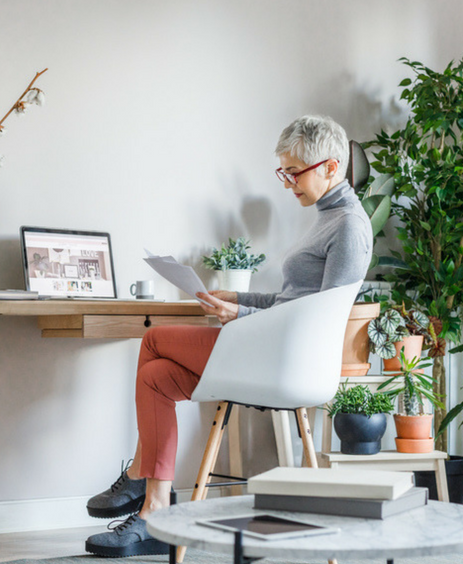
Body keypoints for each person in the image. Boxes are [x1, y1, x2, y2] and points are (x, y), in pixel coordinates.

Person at [84, 115, 373, 557]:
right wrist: (236, 297)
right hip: (270, 349)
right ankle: (154, 515)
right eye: (284, 172)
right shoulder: (327, 217)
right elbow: (291, 300)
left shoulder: (349, 226)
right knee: (157, 376)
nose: (286, 182)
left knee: (153, 341)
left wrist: (240, 313)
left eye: (294, 173)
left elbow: (319, 318)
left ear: (332, 168)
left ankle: (143, 481)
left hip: (283, 361)